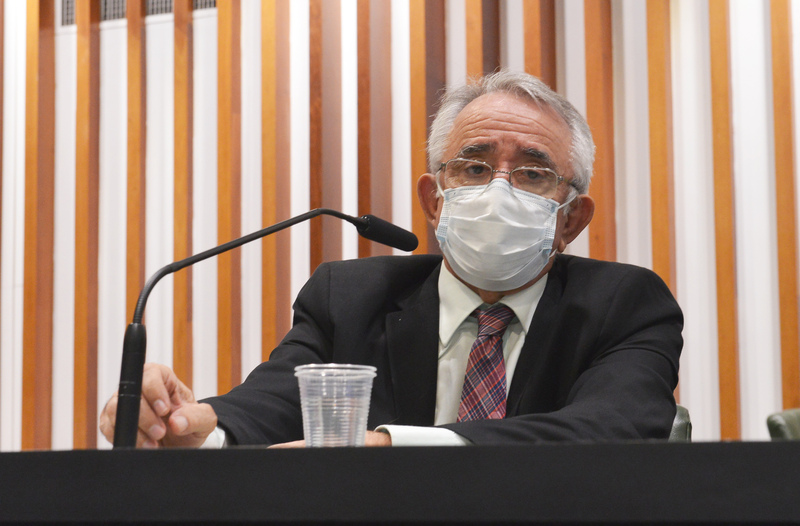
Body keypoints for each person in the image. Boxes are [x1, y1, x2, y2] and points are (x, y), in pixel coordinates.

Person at [99, 70, 682, 448]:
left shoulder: (624, 303)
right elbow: (279, 399)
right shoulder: (349, 297)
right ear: (435, 199)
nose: (498, 190)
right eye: (473, 167)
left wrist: (392, 445)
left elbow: (616, 426)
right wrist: (195, 427)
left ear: (571, 220)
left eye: (532, 173)